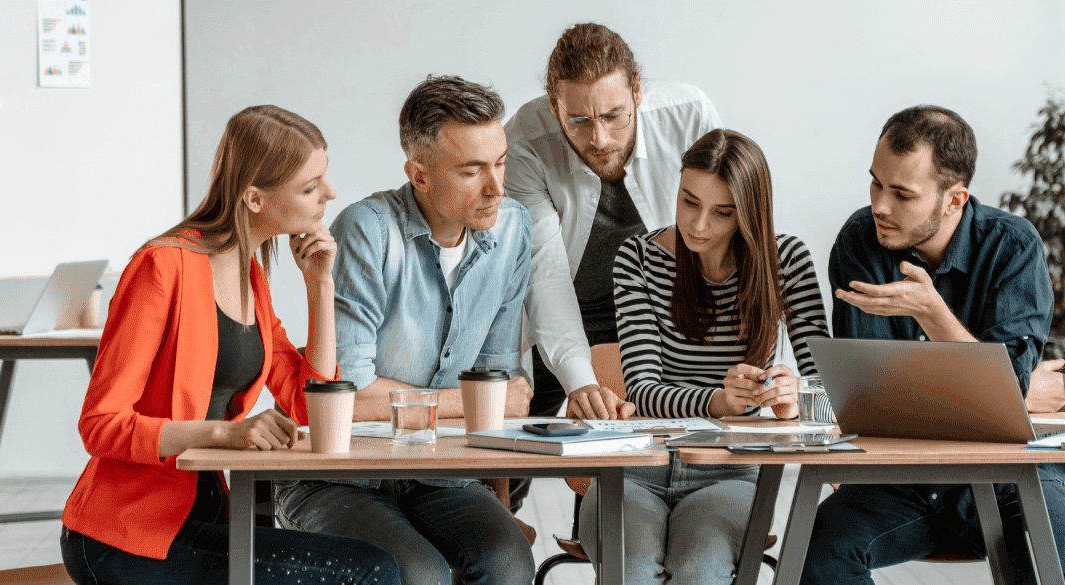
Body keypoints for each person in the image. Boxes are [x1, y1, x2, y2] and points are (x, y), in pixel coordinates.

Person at [60, 105, 400, 585]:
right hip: (127, 534)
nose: (331, 193)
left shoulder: (250, 275)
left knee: (375, 563)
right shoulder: (162, 267)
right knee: (369, 571)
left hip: (209, 517)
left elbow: (309, 406)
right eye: (310, 187)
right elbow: (100, 426)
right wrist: (226, 433)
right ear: (255, 198)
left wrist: (320, 286)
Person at [799, 105, 1065, 585]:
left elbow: (1002, 389)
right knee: (816, 551)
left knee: (1057, 567)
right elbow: (871, 394)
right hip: (904, 477)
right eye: (876, 184)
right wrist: (1013, 390)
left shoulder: (1014, 246)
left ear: (954, 200)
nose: (880, 206)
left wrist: (933, 314)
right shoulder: (860, 241)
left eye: (902, 194)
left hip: (1011, 472)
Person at [273, 76, 535, 585]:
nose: (496, 188)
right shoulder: (367, 229)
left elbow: (503, 396)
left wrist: (500, 507)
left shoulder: (511, 229)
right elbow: (348, 398)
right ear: (419, 175)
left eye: (500, 163)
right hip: (340, 478)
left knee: (508, 562)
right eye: (472, 171)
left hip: (443, 476)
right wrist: (477, 402)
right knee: (417, 572)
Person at [577, 129, 829, 584]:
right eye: (689, 201)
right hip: (634, 466)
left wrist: (792, 401)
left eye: (722, 212)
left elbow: (827, 397)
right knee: (632, 571)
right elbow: (642, 391)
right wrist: (719, 402)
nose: (697, 224)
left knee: (701, 572)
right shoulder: (638, 258)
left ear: (749, 213)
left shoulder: (786, 260)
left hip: (730, 474)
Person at [504, 21, 722, 511]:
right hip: (565, 303)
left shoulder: (689, 114)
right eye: (578, 120)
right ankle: (500, 525)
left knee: (667, 437)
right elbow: (545, 274)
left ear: (637, 91)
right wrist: (580, 382)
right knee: (513, 441)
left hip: (655, 303)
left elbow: (724, 231)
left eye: (613, 115)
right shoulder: (523, 140)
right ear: (554, 105)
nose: (599, 138)